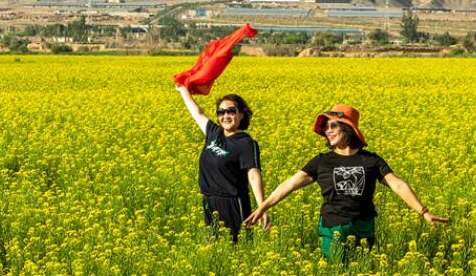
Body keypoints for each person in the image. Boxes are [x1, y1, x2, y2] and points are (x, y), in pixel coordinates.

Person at [244, 104, 448, 259]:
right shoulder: (321, 161)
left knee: (362, 274)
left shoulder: (371, 160)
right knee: (336, 272)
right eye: (325, 127)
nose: (327, 131)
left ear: (347, 129)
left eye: (332, 126)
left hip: (363, 227)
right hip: (332, 227)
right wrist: (263, 207)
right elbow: (288, 185)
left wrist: (424, 212)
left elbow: (398, 185)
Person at [177, 85, 270, 242]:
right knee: (214, 248)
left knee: (237, 249)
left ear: (241, 114)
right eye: (221, 112)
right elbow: (197, 112)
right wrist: (183, 89)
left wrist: (262, 207)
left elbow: (253, 174)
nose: (225, 116)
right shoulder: (214, 133)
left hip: (233, 202)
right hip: (209, 201)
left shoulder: (246, 143)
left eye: (231, 111)